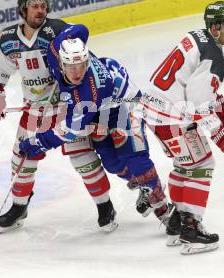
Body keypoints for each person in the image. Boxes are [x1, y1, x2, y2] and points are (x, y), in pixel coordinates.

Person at [0, 0, 116, 233]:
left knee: (83, 157)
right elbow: (0, 74)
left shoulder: (57, 31)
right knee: (21, 157)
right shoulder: (8, 39)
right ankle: (19, 206)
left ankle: (105, 206)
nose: (40, 10)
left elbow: (80, 61)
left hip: (67, 106)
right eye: (35, 6)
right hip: (34, 110)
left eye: (43, 5)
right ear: (23, 9)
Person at [18, 24, 171, 226]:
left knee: (133, 157)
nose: (77, 72)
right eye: (72, 66)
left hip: (126, 105)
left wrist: (38, 142)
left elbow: (69, 132)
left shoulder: (87, 93)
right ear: (61, 62)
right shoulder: (56, 48)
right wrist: (69, 35)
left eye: (82, 65)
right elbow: (82, 29)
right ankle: (142, 183)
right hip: (100, 110)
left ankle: (165, 212)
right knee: (111, 163)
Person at [138, 1, 224, 254]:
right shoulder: (216, 57)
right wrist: (223, 135)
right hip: (172, 117)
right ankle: (192, 228)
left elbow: (190, 85)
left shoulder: (196, 35)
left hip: (153, 111)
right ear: (215, 28)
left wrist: (219, 102)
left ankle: (177, 221)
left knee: (185, 164)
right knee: (202, 164)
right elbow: (199, 103)